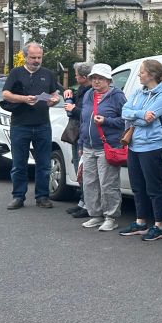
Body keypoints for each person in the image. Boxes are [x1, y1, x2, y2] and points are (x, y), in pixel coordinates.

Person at [1, 42, 62, 209]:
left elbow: (54, 94)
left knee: (43, 163)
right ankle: (18, 197)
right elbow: (5, 94)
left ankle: (42, 196)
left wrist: (54, 100)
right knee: (19, 163)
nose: (36, 61)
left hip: (42, 124)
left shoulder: (48, 74)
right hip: (20, 124)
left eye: (39, 57)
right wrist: (23, 99)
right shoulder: (16, 73)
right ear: (25, 56)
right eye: (33, 57)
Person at [118, 59, 162, 241]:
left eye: (142, 72)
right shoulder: (138, 92)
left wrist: (136, 116)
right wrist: (140, 114)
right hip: (134, 145)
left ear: (151, 74)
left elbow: (149, 119)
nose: (139, 74)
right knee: (138, 187)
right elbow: (124, 111)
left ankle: (159, 225)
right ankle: (140, 222)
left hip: (152, 146)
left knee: (154, 187)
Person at [77, 63, 127, 232]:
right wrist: (81, 143)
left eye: (100, 78)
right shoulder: (88, 95)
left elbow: (125, 120)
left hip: (107, 146)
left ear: (108, 80)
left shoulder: (117, 96)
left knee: (108, 183)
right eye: (93, 78)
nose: (96, 82)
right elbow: (84, 121)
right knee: (90, 183)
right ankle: (95, 215)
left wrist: (107, 121)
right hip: (89, 145)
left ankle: (111, 217)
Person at [63, 61, 93, 218]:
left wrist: (73, 109)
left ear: (84, 77)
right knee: (78, 167)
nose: (75, 77)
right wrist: (70, 97)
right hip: (77, 135)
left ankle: (88, 204)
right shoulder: (81, 89)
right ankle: (82, 201)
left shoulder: (92, 91)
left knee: (84, 170)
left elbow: (88, 114)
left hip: (84, 135)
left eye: (76, 74)